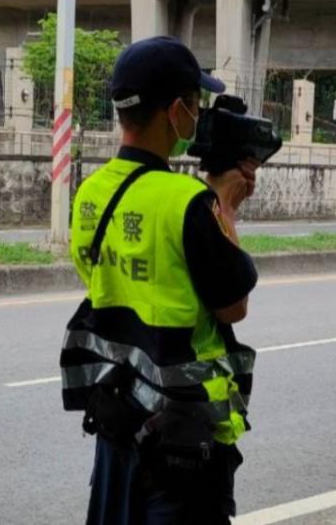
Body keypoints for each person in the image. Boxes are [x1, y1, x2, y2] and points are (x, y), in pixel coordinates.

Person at [60, 35, 260, 525]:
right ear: (177, 111)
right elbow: (233, 307)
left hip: (118, 422)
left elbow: (104, 278)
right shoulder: (189, 201)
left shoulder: (90, 193)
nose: (199, 115)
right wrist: (226, 210)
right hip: (183, 443)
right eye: (196, 104)